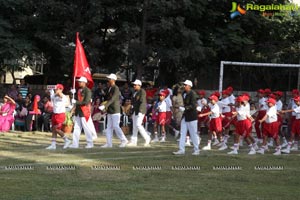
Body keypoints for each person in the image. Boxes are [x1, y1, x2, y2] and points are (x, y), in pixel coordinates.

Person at [99, 74, 128, 148]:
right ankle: (109, 143)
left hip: (115, 110)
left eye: (109, 79)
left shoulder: (116, 88)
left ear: (113, 80)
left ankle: (124, 140)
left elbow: (113, 99)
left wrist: (105, 105)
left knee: (116, 126)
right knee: (109, 127)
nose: (108, 80)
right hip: (110, 110)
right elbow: (107, 97)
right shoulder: (110, 88)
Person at [68, 77, 97, 149]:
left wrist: (76, 102)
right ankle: (75, 144)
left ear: (84, 82)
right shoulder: (78, 90)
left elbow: (86, 102)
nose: (78, 83)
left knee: (86, 128)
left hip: (84, 111)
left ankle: (90, 143)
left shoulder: (88, 91)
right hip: (78, 111)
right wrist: (72, 95)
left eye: (80, 82)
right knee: (76, 128)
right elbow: (76, 101)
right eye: (79, 81)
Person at [173, 80, 200, 155]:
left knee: (193, 134)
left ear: (189, 86)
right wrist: (184, 108)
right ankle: (181, 149)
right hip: (185, 116)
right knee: (182, 133)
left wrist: (185, 108)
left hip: (192, 116)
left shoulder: (193, 94)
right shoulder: (184, 93)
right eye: (184, 85)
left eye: (185, 85)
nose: (184, 86)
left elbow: (193, 105)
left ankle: (196, 150)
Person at [45, 84, 71, 150]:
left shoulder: (64, 96)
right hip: (54, 114)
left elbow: (61, 95)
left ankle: (67, 140)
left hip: (60, 114)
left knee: (57, 129)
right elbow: (49, 92)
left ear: (61, 89)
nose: (55, 90)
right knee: (53, 129)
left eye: (57, 89)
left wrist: (58, 92)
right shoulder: (53, 96)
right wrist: (50, 90)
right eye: (55, 89)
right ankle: (53, 145)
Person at [127, 79, 151, 147]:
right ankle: (134, 141)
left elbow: (142, 101)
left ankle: (147, 138)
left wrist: (140, 111)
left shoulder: (142, 91)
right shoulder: (135, 92)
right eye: (133, 85)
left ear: (139, 85)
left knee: (138, 125)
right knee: (135, 126)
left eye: (135, 85)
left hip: (140, 110)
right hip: (135, 111)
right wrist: (132, 111)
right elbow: (134, 103)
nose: (134, 86)